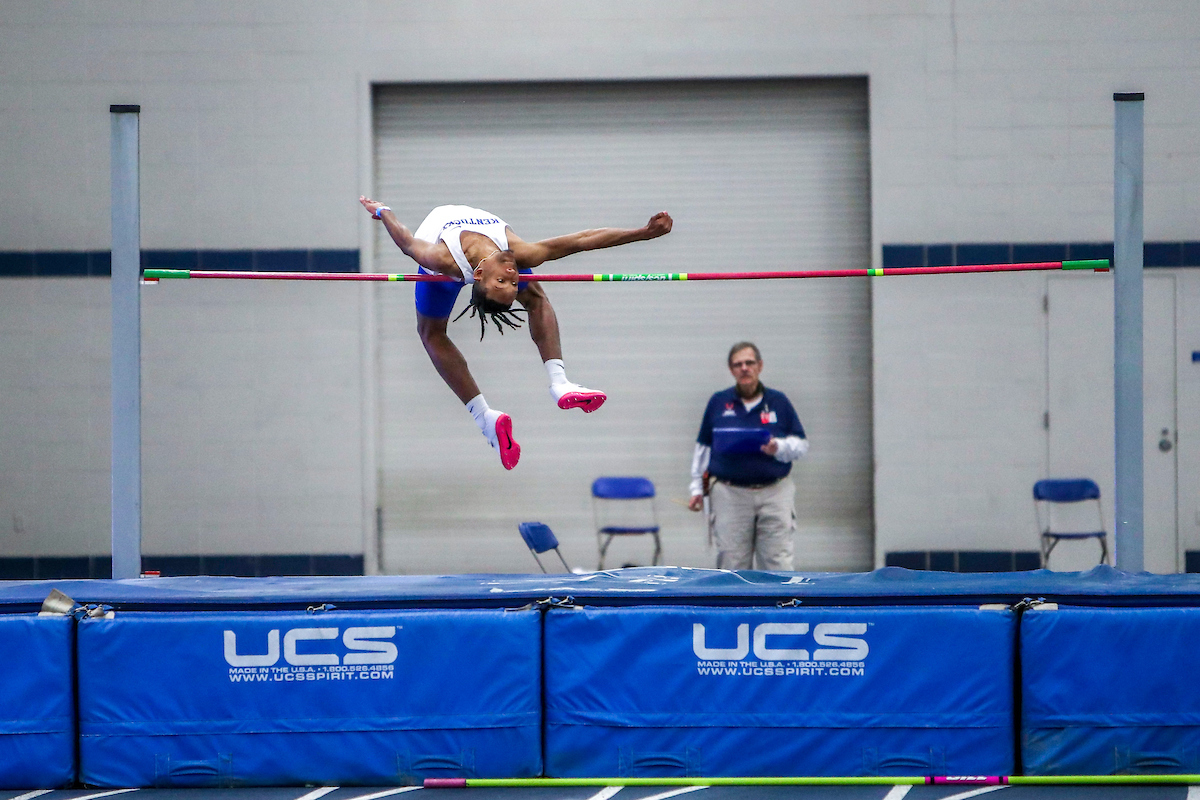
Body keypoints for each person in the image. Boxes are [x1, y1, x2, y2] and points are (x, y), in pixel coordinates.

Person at [360, 197, 673, 470]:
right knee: (449, 326)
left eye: (507, 283)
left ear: (481, 275)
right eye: (509, 284)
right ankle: (501, 410)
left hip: (448, 255)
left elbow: (406, 242)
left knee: (438, 329)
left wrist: (383, 211)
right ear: (479, 274)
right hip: (449, 256)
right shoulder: (508, 257)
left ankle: (550, 389)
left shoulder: (466, 261)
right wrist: (641, 234)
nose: (512, 277)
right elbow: (582, 239)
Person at [688, 342, 808, 570]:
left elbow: (801, 445)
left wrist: (779, 447)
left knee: (778, 562)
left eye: (749, 363)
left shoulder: (778, 402)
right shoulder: (718, 403)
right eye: (738, 364)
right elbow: (703, 450)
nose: (744, 368)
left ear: (760, 366)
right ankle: (733, 606)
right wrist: (697, 490)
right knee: (732, 562)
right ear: (731, 370)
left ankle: (782, 604)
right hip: (730, 494)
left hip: (775, 493)